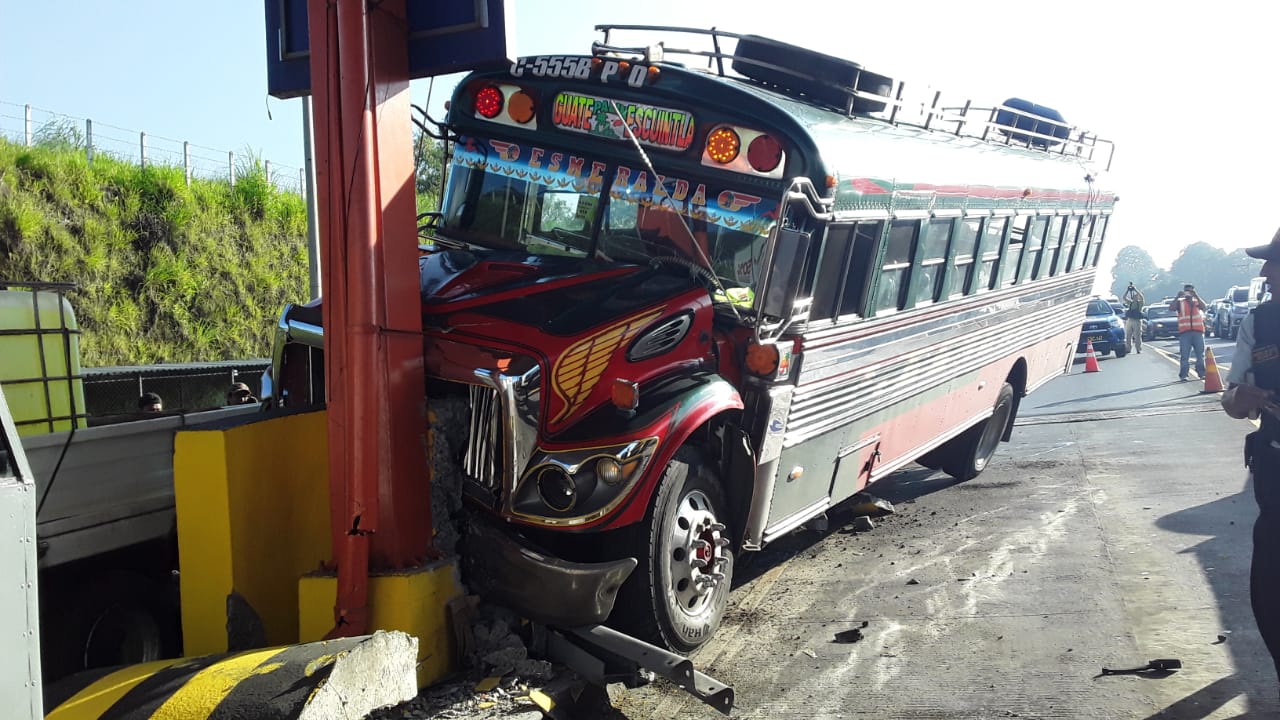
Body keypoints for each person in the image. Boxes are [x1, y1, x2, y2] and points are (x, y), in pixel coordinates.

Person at [1221, 227, 1280, 684]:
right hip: (1277, 465)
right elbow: (1233, 401)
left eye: (1274, 261)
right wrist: (1244, 398)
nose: (1265, 271)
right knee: (1270, 582)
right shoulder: (1258, 322)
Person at [1169, 283, 1207, 381]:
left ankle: (1202, 373)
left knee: (1200, 355)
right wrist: (1177, 297)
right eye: (1186, 291)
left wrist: (1196, 295)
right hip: (1185, 333)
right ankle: (1184, 375)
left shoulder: (1196, 300)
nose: (1188, 293)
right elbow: (1171, 308)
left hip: (1198, 332)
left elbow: (1204, 307)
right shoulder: (1180, 302)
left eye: (1190, 291)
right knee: (1184, 355)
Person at [1122, 282, 1145, 354]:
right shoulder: (1130, 303)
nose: (1135, 297)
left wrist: (1135, 289)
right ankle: (1128, 348)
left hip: (1137, 321)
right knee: (1128, 335)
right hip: (1130, 320)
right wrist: (1127, 290)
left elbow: (1142, 297)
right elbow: (1124, 297)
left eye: (1136, 296)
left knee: (1137, 335)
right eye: (1135, 296)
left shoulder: (1140, 303)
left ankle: (1138, 349)